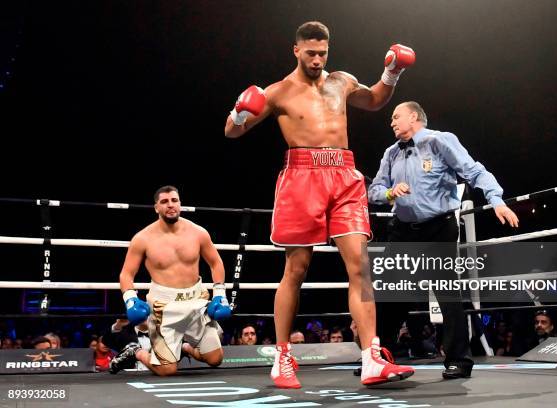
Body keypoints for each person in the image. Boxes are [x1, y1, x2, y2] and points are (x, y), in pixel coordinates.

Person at [224, 21, 416, 388]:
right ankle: (282, 357)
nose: (316, 60)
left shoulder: (341, 81)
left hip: (344, 176)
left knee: (360, 266)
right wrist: (239, 111)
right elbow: (232, 132)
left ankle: (371, 356)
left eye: (322, 53)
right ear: (296, 50)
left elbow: (375, 100)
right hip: (301, 177)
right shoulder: (278, 92)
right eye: (310, 53)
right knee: (296, 268)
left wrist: (392, 72)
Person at [368, 101, 519, 379]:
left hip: (438, 227)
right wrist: (389, 194)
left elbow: (474, 171)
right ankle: (378, 359)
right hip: (402, 230)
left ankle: (458, 360)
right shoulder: (391, 153)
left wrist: (495, 199)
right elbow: (374, 189)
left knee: (447, 294)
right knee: (391, 295)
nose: (391, 122)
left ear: (413, 116)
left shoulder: (440, 141)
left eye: (396, 116)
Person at [109, 185, 230, 376]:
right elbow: (126, 274)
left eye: (174, 200)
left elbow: (216, 263)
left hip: (196, 301)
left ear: (180, 204)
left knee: (215, 359)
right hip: (163, 306)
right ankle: (136, 351)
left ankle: (183, 348)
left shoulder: (198, 232)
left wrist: (220, 294)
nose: (170, 205)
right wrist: (130, 299)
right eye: (164, 202)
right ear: (156, 207)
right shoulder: (143, 238)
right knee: (167, 370)